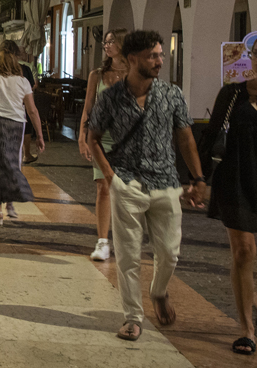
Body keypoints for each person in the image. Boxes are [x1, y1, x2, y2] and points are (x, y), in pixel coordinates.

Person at [87, 29, 207, 341]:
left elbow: (185, 137)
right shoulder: (110, 97)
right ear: (132, 59)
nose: (159, 60)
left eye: (160, 54)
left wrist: (197, 178)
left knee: (169, 252)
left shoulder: (171, 94)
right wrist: (111, 177)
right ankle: (132, 317)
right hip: (127, 183)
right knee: (128, 255)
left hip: (167, 182)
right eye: (153, 55)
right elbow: (93, 138)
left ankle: (159, 290)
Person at [198, 74, 257, 355]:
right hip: (236, 180)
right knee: (244, 251)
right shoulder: (232, 94)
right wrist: (197, 179)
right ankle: (247, 329)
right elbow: (211, 136)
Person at [0, 42, 45, 225]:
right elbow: (33, 111)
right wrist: (40, 135)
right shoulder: (23, 82)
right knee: (12, 163)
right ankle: (11, 205)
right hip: (16, 126)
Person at [79, 28, 129, 261]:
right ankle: (102, 242)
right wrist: (82, 134)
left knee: (127, 191)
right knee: (103, 187)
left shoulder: (135, 73)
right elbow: (88, 107)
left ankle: (126, 239)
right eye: (105, 42)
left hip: (129, 139)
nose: (106, 46)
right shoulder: (97, 75)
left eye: (111, 42)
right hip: (102, 137)